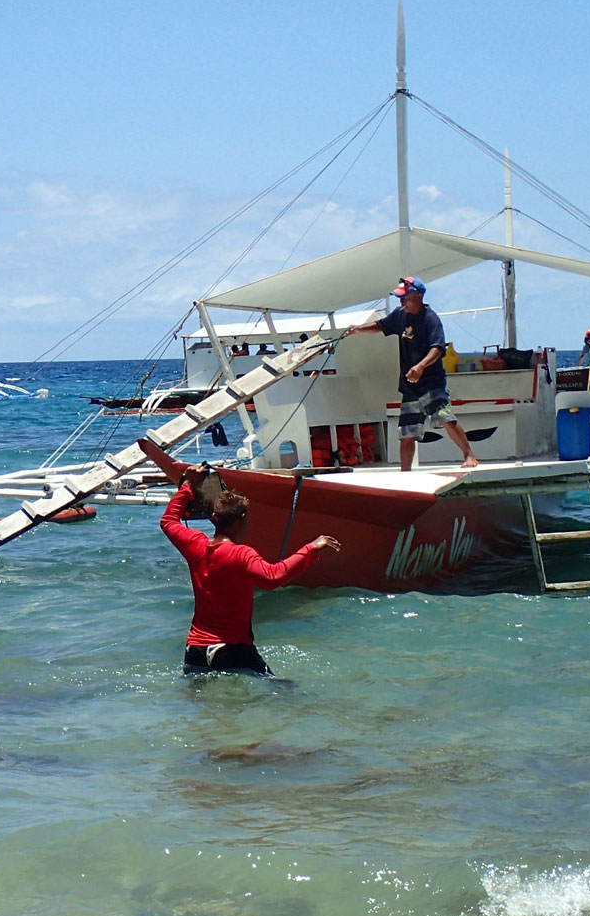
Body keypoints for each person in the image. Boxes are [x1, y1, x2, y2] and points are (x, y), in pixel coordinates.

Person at [156, 453, 339, 675]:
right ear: (242, 519)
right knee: (284, 693)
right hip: (231, 650)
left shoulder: (195, 545)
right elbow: (273, 577)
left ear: (214, 519)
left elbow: (168, 521)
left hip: (195, 649)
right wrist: (311, 548)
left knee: (205, 709)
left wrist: (187, 485)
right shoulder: (242, 555)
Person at [351, 277, 479, 471]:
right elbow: (381, 325)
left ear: (418, 296)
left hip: (432, 383)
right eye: (400, 298)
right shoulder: (400, 315)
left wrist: (420, 366)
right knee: (407, 432)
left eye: (405, 297)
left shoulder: (430, 319)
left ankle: (469, 455)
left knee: (445, 418)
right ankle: (405, 471)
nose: (402, 302)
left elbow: (437, 348)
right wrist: (359, 329)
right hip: (410, 386)